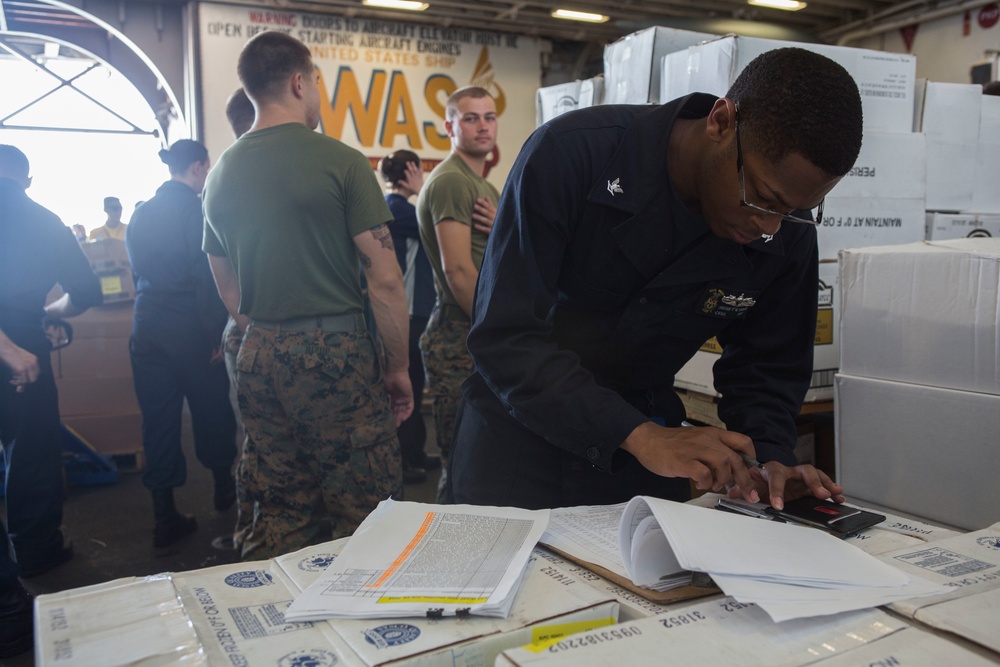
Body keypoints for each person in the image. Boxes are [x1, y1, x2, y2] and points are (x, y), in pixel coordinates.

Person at [450, 47, 860, 511]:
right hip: (517, 443)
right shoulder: (571, 156)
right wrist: (639, 435)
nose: (770, 226)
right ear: (721, 122)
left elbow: (767, 365)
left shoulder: (785, 231)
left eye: (794, 209)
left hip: (648, 458)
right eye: (763, 198)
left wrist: (771, 458)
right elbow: (506, 337)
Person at [202, 31, 412, 560]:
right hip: (335, 355)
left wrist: (271, 336)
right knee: (369, 511)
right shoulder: (341, 161)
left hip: (257, 352)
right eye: (315, 81)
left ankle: (275, 624)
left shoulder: (220, 174)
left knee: (280, 503)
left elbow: (226, 285)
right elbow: (384, 279)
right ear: (299, 82)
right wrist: (398, 368)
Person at [126, 140, 238, 551]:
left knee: (158, 420)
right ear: (197, 167)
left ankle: (164, 516)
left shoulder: (140, 213)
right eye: (206, 167)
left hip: (146, 327)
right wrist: (216, 335)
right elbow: (207, 277)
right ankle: (224, 490)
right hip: (190, 329)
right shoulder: (196, 210)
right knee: (212, 410)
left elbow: (136, 272)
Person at [0, 145, 102, 584]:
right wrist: (50, 313)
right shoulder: (46, 222)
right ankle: (37, 550)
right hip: (22, 342)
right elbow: (86, 293)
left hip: (15, 341)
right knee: (31, 449)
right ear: (27, 179)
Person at [416, 86, 498, 501]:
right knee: (462, 465)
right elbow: (459, 271)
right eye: (471, 118)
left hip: (472, 332)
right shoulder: (451, 181)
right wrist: (497, 333)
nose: (483, 126)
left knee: (483, 462)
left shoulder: (479, 185)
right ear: (449, 126)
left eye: (489, 116)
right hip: (459, 335)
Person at [378, 150, 440, 484]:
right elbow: (435, 225)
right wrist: (423, 188)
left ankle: (413, 454)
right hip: (409, 314)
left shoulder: (392, 208)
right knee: (408, 387)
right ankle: (404, 461)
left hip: (409, 313)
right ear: (411, 171)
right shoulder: (399, 210)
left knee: (410, 386)